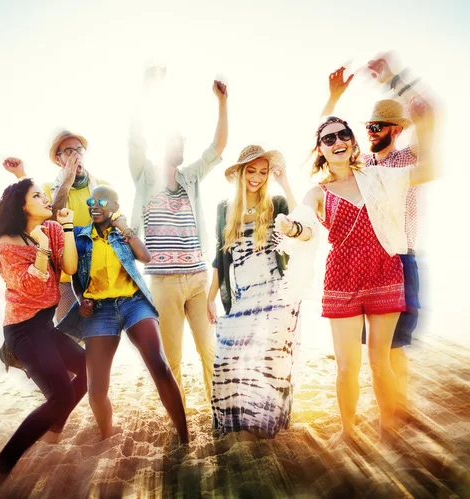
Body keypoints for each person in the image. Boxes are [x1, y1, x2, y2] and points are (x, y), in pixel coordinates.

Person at [275, 102, 436, 444]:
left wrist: (425, 123)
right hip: (342, 278)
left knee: (381, 361)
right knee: (347, 366)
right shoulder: (317, 191)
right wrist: (291, 228)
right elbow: (305, 228)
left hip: (384, 270)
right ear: (320, 150)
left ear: (352, 141)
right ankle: (348, 432)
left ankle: (389, 432)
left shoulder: (377, 176)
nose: (338, 141)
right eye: (328, 138)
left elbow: (427, 171)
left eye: (343, 134)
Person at [321, 55, 433, 419]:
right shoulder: (363, 168)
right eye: (368, 126)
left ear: (396, 129)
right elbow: (325, 144)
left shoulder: (405, 160)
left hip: (401, 258)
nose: (370, 132)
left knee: (393, 349)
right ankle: (395, 411)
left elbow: (427, 114)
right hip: (366, 262)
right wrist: (333, 97)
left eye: (379, 126)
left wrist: (395, 78)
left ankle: (396, 415)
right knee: (379, 352)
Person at [0, 178, 87, 493]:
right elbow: (32, 287)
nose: (45, 198)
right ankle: (0, 469)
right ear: (21, 205)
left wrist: (64, 229)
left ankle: (54, 424)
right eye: (36, 195)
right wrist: (40, 249)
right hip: (22, 330)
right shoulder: (7, 244)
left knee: (91, 368)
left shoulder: (51, 228)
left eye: (44, 193)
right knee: (61, 395)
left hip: (45, 327)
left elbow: (68, 267)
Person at [129, 68, 228, 404]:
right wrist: (146, 88)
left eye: (182, 140)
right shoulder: (144, 176)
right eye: (174, 140)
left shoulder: (191, 177)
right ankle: (179, 419)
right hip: (164, 282)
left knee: (209, 350)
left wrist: (222, 102)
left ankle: (219, 414)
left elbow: (217, 148)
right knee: (171, 357)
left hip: (198, 279)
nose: (180, 144)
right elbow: (134, 136)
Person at [59, 185, 189, 444]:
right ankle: (108, 433)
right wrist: (80, 299)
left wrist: (124, 228)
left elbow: (146, 257)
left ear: (115, 207)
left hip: (134, 303)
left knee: (159, 364)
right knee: (96, 388)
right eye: (91, 201)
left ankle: (184, 436)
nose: (95, 205)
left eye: (103, 200)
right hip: (99, 312)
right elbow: (75, 275)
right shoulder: (80, 237)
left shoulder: (123, 235)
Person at [206, 145, 304, 436]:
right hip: (243, 295)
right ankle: (235, 424)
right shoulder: (225, 209)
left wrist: (285, 181)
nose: (257, 177)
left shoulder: (275, 204)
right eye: (251, 171)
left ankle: (269, 426)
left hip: (276, 292)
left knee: (271, 364)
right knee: (227, 360)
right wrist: (211, 297)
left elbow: (301, 224)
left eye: (263, 172)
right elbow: (219, 257)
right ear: (240, 173)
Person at [2, 129, 110, 323]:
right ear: (58, 159)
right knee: (68, 339)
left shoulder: (102, 187)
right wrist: (67, 181)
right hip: (65, 281)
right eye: (69, 151)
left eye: (79, 149)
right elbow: (48, 221)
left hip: (99, 276)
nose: (76, 155)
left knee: (101, 338)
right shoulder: (47, 190)